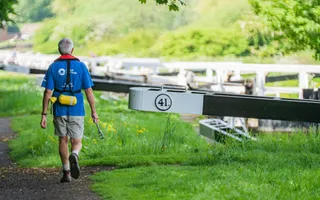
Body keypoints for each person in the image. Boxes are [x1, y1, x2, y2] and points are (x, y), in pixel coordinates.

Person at [40, 38, 98, 183]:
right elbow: (89, 90)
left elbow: (48, 92)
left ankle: (66, 172)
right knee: (77, 140)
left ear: (59, 50)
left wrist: (44, 114)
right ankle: (75, 154)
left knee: (63, 139)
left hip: (59, 108)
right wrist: (94, 111)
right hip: (76, 108)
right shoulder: (81, 66)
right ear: (72, 50)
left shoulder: (53, 67)